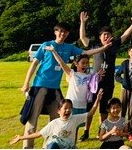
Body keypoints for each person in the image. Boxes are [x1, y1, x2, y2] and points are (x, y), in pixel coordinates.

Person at [18, 16, 111, 149]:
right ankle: (27, 147)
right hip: (39, 85)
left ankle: (48, 146)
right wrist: (26, 83)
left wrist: (103, 48)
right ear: (55, 32)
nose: (62, 34)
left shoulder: (69, 48)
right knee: (32, 119)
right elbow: (34, 64)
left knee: (57, 119)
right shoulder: (46, 45)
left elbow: (86, 52)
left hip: (55, 88)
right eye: (60, 31)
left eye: (65, 32)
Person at [79, 12, 132, 142]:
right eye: (104, 34)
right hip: (95, 83)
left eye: (108, 34)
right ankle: (86, 131)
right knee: (90, 108)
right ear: (100, 36)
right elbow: (83, 38)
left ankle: (101, 130)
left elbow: (125, 35)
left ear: (111, 37)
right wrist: (83, 23)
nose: (106, 36)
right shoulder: (95, 45)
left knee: (104, 109)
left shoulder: (114, 45)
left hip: (108, 83)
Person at [41, 47, 102, 140]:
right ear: (76, 64)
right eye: (83, 63)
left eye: (87, 63)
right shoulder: (72, 73)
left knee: (75, 128)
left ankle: (73, 145)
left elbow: (94, 85)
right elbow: (61, 63)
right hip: (71, 105)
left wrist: (99, 76)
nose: (85, 65)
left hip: (82, 106)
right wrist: (54, 51)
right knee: (66, 126)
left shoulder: (89, 76)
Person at [10, 90, 103, 149]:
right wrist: (20, 137)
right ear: (58, 111)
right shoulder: (54, 123)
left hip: (68, 147)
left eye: (70, 108)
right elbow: (38, 134)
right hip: (55, 146)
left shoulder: (75, 119)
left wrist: (97, 100)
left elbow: (91, 113)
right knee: (52, 145)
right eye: (65, 108)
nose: (68, 110)